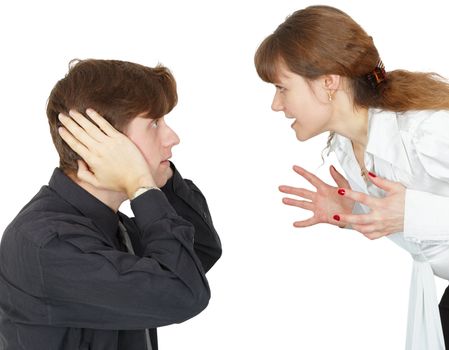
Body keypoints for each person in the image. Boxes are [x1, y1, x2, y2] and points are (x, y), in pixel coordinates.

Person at [254, 5, 449, 350]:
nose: (275, 104)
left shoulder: (427, 130)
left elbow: (417, 214)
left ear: (329, 81)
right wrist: (359, 213)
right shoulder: (348, 148)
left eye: (282, 88)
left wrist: (412, 213)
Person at [0, 59, 222, 350]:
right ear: (101, 140)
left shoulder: (116, 225)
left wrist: (158, 177)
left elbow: (201, 249)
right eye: (154, 123)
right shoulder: (47, 243)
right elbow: (183, 293)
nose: (173, 137)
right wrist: (141, 184)